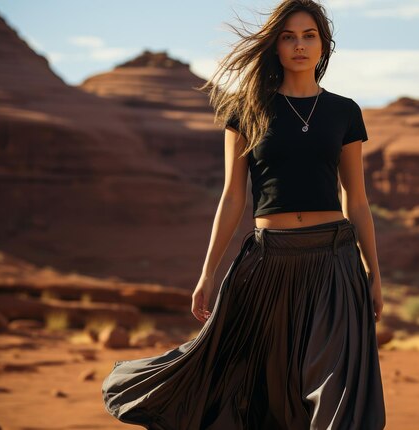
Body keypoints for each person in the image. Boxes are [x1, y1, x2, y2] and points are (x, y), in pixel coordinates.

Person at [101, 1, 386, 428]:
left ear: (324, 45)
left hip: (334, 262)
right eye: (288, 37)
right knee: (262, 391)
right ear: (275, 46)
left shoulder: (345, 111)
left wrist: (374, 273)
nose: (299, 46)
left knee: (337, 395)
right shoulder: (248, 109)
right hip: (269, 261)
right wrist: (207, 273)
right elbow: (232, 198)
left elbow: (356, 199)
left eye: (309, 36)